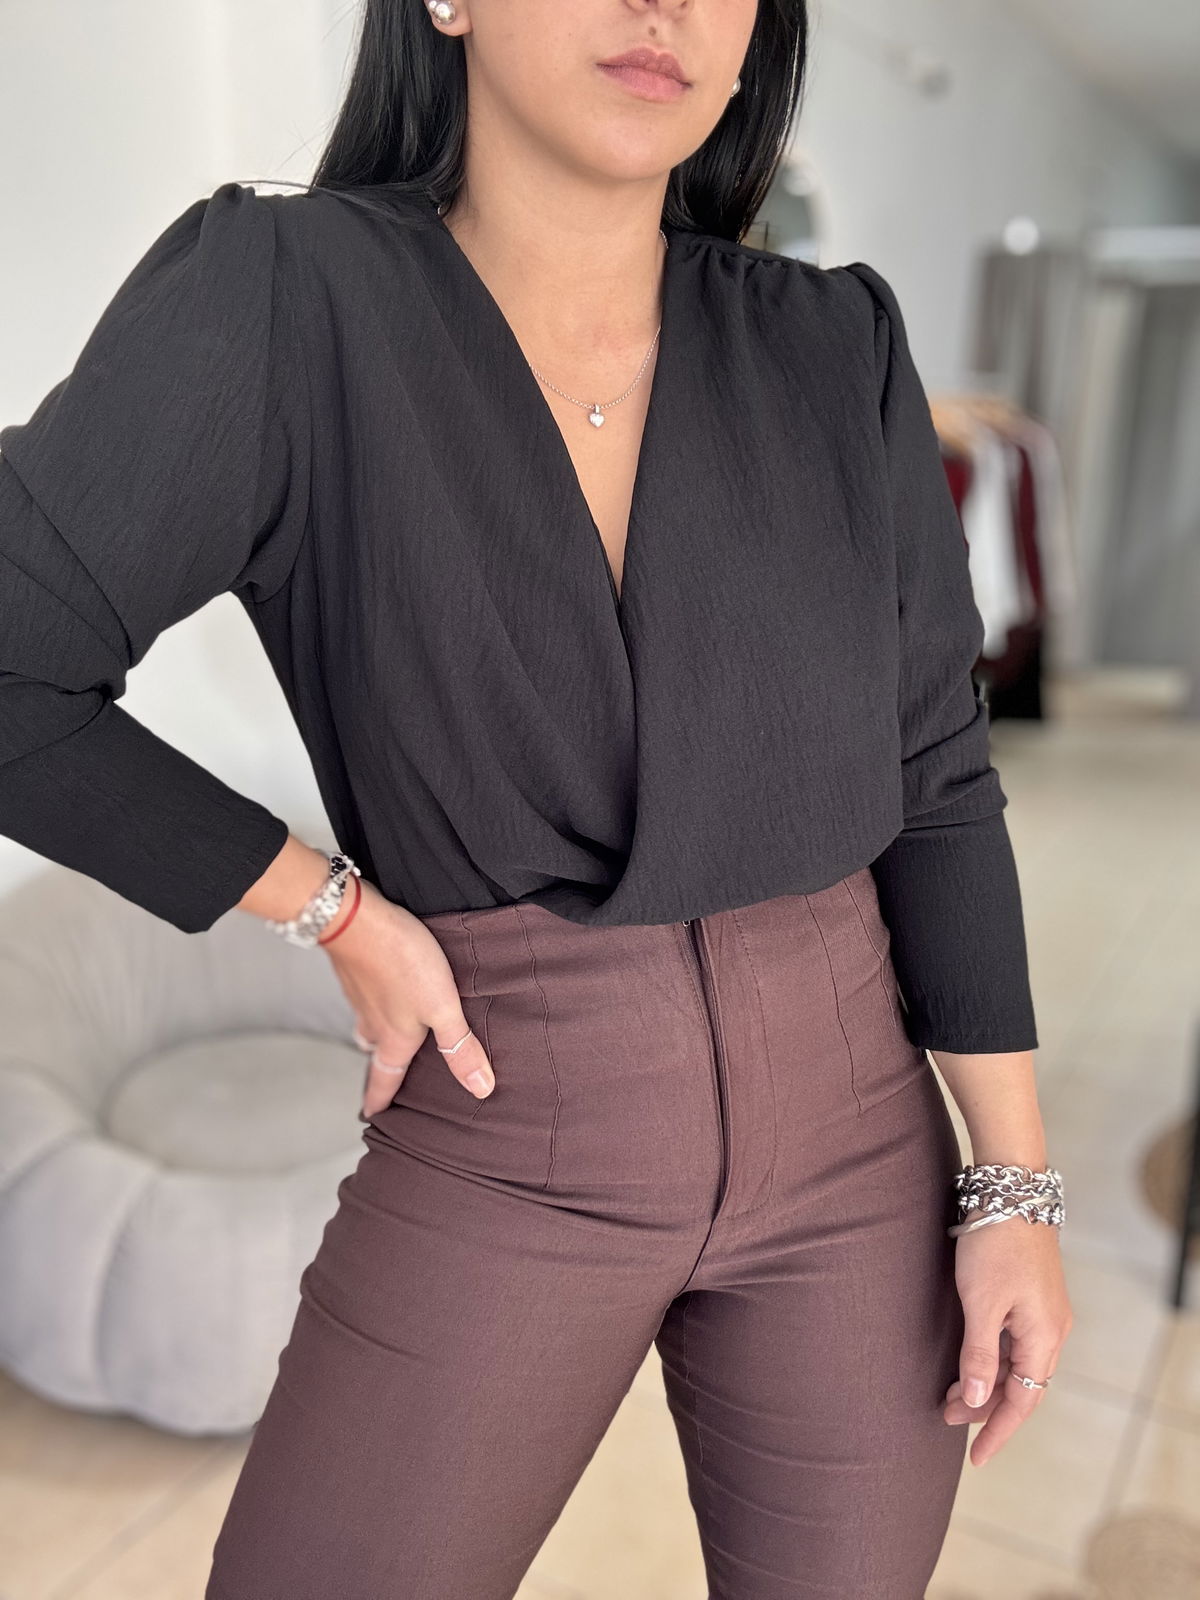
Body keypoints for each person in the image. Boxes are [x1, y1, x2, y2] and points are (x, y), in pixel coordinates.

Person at [0, 0, 1073, 1595]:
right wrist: (328, 907)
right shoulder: (286, 300)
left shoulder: (831, 343)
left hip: (862, 1150)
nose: (666, 7)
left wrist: (1013, 1184)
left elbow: (936, 777)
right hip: (510, 1122)